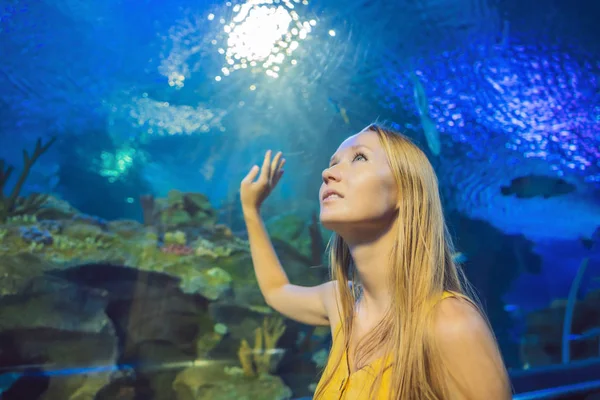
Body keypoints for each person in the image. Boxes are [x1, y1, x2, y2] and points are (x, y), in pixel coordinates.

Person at [240, 123, 512, 399]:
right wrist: (251, 210)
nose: (327, 173)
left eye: (359, 158)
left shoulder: (450, 322)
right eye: (332, 163)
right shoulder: (340, 304)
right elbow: (276, 291)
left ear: (405, 191)